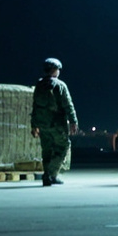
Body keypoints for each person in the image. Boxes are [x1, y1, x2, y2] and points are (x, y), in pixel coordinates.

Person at [30, 57, 79, 187]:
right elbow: (68, 105)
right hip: (57, 124)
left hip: (42, 124)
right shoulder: (60, 85)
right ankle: (50, 174)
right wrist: (74, 121)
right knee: (62, 147)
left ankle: (50, 175)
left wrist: (34, 124)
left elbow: (35, 106)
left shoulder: (39, 85)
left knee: (46, 150)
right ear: (54, 70)